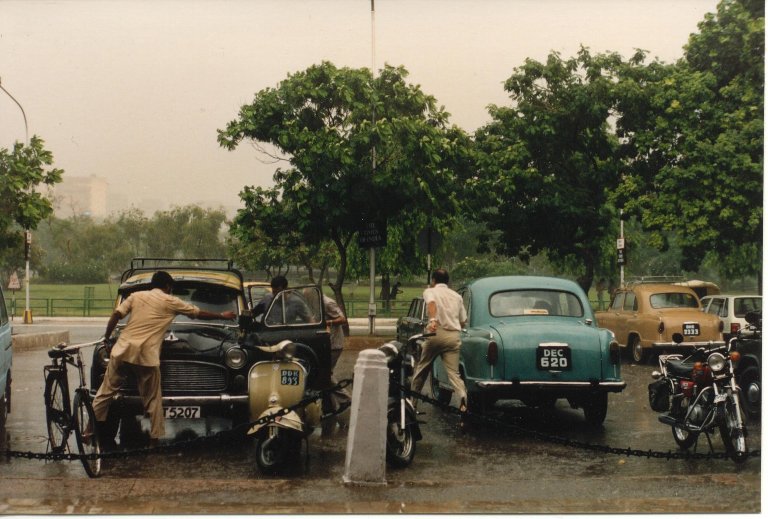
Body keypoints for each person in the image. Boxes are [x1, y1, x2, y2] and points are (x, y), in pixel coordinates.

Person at [91, 270, 236, 448]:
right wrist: (221, 316)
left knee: (104, 393)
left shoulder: (136, 296)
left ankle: (89, 430)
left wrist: (107, 338)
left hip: (122, 350)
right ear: (168, 286)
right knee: (153, 399)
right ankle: (154, 441)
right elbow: (197, 313)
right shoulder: (170, 301)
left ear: (153, 284)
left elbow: (116, 314)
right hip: (145, 355)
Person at [410, 268, 468, 414]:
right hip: (453, 336)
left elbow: (431, 304)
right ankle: (462, 398)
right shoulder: (457, 296)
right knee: (454, 374)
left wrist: (433, 320)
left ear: (433, 280)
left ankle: (412, 404)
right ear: (447, 281)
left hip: (436, 333)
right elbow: (463, 321)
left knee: (422, 369)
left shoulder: (430, 291)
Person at [320, 293, 351, 435]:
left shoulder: (328, 302)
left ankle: (344, 398)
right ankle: (332, 405)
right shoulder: (316, 303)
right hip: (327, 344)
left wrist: (328, 323)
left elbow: (342, 319)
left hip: (334, 344)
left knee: (326, 373)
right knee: (325, 374)